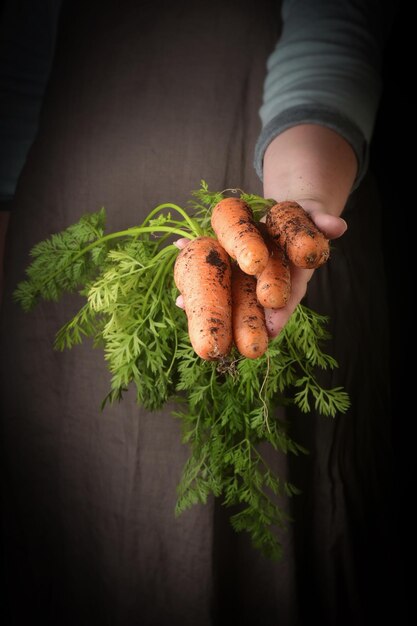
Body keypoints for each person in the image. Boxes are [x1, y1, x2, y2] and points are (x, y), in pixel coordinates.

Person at [0, 1, 409, 624]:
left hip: (289, 187)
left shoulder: (276, 229)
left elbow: (334, 29)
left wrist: (296, 204)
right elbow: (15, 67)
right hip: (63, 239)